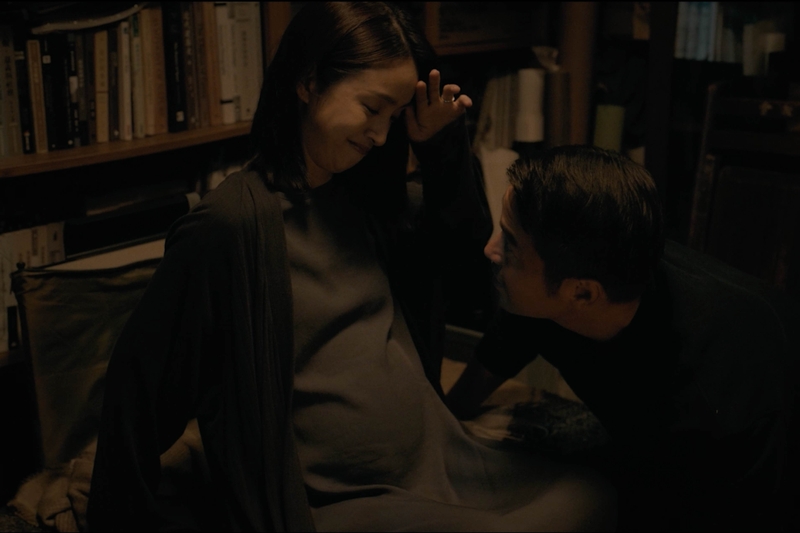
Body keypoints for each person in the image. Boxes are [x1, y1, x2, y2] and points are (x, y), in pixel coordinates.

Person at [87, 3, 617, 531]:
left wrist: (439, 146)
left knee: (593, 494)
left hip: (440, 460)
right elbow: (140, 390)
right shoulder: (230, 226)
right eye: (371, 108)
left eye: (395, 116)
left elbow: (468, 267)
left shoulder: (370, 202)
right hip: (334, 498)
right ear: (309, 82)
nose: (381, 135)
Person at [446, 145, 800, 532]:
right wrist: (447, 415)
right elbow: (503, 346)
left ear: (582, 293)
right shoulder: (562, 287)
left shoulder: (708, 400)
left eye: (510, 244)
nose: (491, 249)